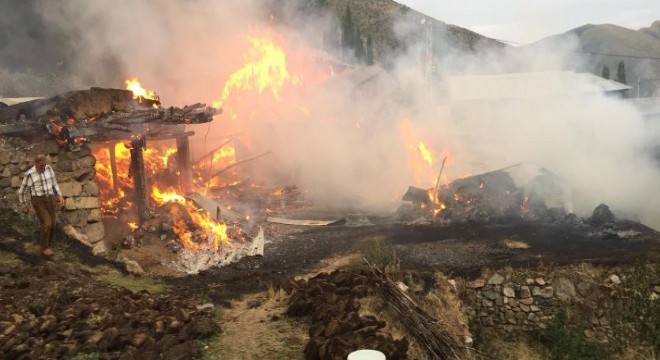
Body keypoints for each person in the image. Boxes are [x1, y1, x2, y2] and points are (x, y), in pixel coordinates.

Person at [18, 154, 64, 258]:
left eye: (44, 165)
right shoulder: (29, 174)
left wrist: (59, 195)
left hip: (50, 199)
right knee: (47, 223)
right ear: (36, 163)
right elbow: (22, 191)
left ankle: (49, 245)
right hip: (38, 201)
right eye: (41, 165)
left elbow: (54, 183)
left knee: (52, 224)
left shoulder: (49, 168)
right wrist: (23, 205)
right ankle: (44, 248)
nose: (43, 167)